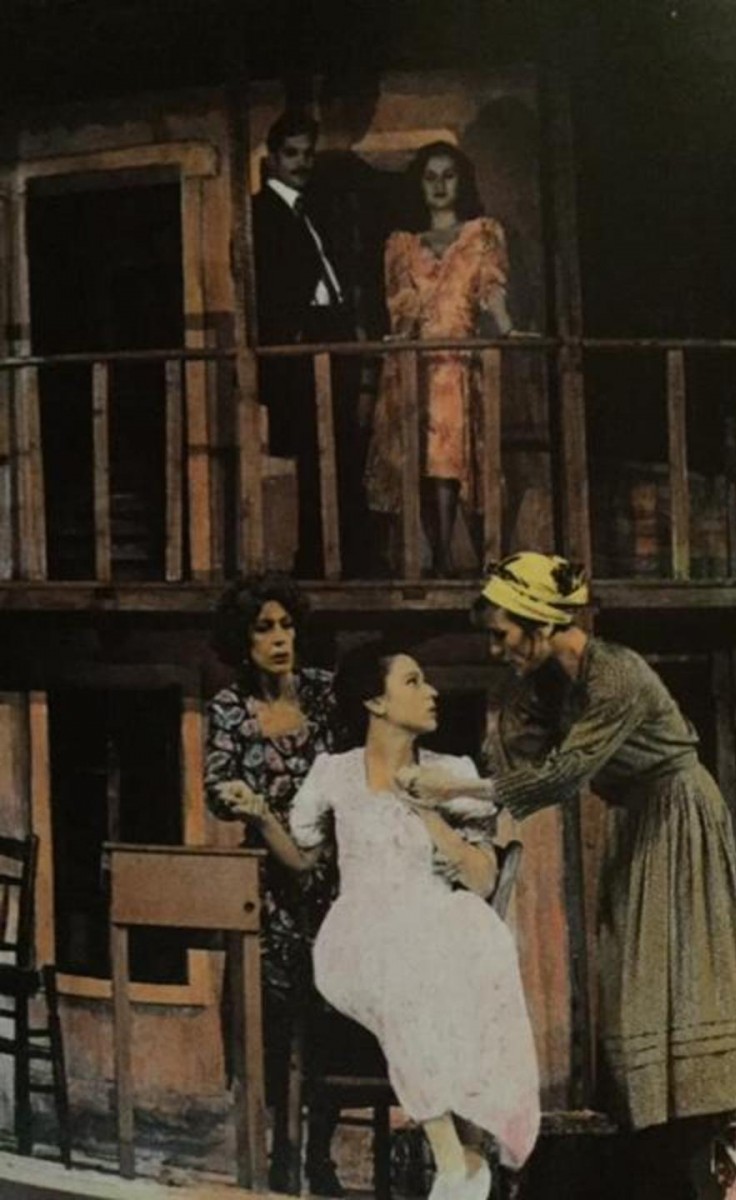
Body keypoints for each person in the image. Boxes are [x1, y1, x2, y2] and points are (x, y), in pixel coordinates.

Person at [396, 552, 736, 1199]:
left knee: (684, 976)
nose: (495, 648)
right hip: (638, 820)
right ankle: (662, 1149)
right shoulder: (549, 685)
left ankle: (699, 1143)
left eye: (502, 633)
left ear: (540, 622)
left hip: (678, 817)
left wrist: (456, 786)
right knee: (637, 976)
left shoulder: (617, 675)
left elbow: (562, 776)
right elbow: (518, 761)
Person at [229, 639, 541, 1200]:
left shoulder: (449, 773)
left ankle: (471, 1152)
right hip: (359, 933)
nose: (432, 692)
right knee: (402, 968)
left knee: (482, 944)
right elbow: (303, 858)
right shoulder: (335, 774)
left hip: (431, 921)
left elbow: (481, 880)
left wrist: (428, 811)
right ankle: (454, 1157)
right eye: (414, 681)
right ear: (375, 702)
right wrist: (260, 817)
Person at [203, 573, 344, 1196]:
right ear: (243, 638)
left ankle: (321, 1158)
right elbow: (217, 785)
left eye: (287, 625)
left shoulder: (323, 693)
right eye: (265, 628)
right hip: (268, 885)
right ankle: (279, 1155)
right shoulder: (229, 708)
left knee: (331, 1019)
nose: (280, 638)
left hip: (334, 878)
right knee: (273, 1021)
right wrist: (237, 798)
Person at [364, 141, 518, 578]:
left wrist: (507, 327)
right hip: (414, 363)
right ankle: (434, 554)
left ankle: (452, 554)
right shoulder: (402, 245)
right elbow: (400, 304)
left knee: (447, 456)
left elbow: (491, 288)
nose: (439, 185)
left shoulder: (480, 235)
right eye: (430, 177)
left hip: (455, 361)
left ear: (461, 182)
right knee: (417, 460)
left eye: (448, 176)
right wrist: (400, 339)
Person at [252, 110, 368, 577]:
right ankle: (315, 561)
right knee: (314, 455)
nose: (302, 163)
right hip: (301, 348)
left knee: (343, 449)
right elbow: (267, 288)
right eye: (292, 154)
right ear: (272, 158)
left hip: (333, 339)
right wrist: (294, 334)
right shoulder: (260, 213)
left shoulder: (314, 211)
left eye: (308, 154)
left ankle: (347, 555)